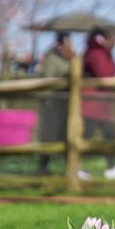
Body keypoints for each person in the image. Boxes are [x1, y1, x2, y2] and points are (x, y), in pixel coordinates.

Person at [81, 27, 115, 180]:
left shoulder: (101, 53)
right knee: (87, 136)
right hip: (93, 104)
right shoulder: (97, 54)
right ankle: (78, 167)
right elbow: (104, 74)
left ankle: (111, 167)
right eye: (113, 38)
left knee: (109, 135)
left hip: (101, 105)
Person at [38, 32, 73, 174]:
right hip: (51, 104)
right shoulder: (52, 58)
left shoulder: (65, 58)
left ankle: (70, 167)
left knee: (64, 134)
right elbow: (49, 79)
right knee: (49, 136)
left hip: (62, 104)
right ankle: (43, 166)